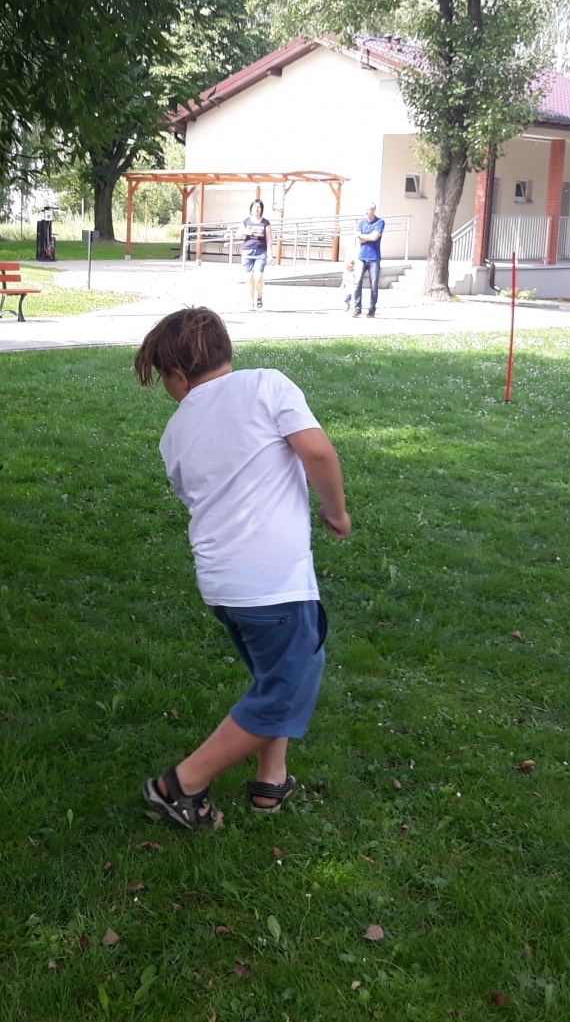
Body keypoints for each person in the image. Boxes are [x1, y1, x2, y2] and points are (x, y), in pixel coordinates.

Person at [133, 308, 350, 830]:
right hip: (273, 583)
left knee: (277, 675)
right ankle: (178, 785)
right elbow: (316, 451)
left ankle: (270, 781)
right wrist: (335, 512)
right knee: (288, 689)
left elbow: (196, 495)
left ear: (180, 375)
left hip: (223, 585)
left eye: (163, 378)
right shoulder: (267, 385)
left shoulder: (173, 433)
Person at [352, 204, 386, 318]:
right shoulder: (361, 223)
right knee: (357, 283)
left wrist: (363, 236)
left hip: (374, 258)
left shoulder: (379, 222)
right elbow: (358, 240)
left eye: (369, 209)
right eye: (366, 209)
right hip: (362, 257)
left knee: (374, 284)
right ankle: (357, 308)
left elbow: (374, 237)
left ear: (374, 210)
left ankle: (372, 309)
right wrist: (366, 237)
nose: (367, 211)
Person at [239, 200, 269, 310]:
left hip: (261, 252)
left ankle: (259, 296)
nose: (256, 209)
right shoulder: (245, 222)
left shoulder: (265, 223)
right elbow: (238, 234)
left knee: (258, 278)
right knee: (249, 278)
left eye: (259, 207)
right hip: (247, 251)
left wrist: (270, 254)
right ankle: (250, 301)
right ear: (251, 209)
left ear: (261, 209)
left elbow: (269, 239)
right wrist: (245, 232)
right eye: (254, 207)